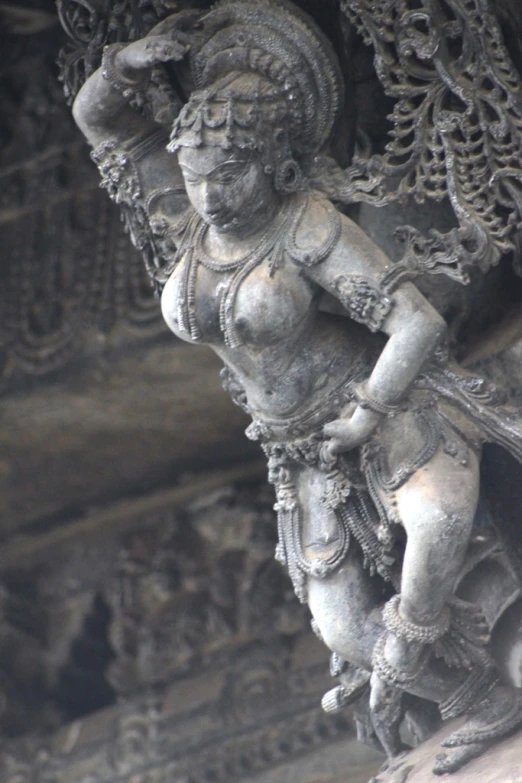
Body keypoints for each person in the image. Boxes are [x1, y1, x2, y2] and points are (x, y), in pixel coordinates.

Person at [72, 1, 522, 772]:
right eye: (198, 176)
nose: (212, 195)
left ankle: (475, 681)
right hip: (298, 454)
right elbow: (101, 123)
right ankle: (474, 699)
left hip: (379, 414)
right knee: (347, 628)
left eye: (233, 174)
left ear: (277, 162)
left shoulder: (306, 225)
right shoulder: (189, 223)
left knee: (440, 526)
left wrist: (370, 410)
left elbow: (413, 324)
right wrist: (125, 66)